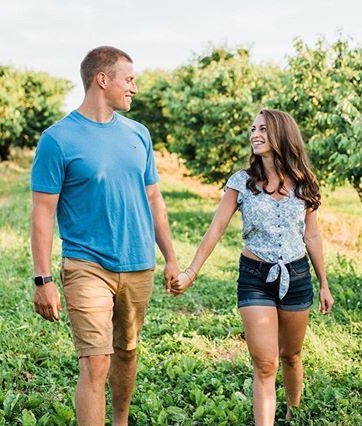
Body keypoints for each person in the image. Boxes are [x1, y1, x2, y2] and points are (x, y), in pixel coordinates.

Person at [30, 46, 179, 426]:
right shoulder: (57, 139)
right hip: (86, 265)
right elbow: (43, 212)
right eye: (128, 79)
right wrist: (43, 278)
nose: (134, 88)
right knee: (96, 361)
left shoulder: (138, 134)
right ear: (102, 79)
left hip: (138, 263)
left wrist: (171, 258)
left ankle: (120, 421)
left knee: (126, 352)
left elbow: (153, 198)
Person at [171, 108, 335, 425]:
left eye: (262, 129)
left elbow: (311, 235)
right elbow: (215, 229)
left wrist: (324, 283)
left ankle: (293, 412)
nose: (255, 134)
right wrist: (191, 271)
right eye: (253, 129)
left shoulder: (304, 183)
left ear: (281, 134)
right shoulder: (242, 182)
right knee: (265, 364)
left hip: (297, 275)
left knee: (291, 355)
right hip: (255, 278)